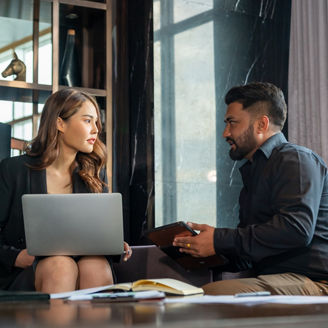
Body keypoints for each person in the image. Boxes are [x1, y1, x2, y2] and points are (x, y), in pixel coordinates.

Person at [173, 82, 328, 296]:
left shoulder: (295, 158)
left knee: (209, 295)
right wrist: (206, 250)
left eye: (232, 123)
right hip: (274, 278)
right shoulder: (254, 171)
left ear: (261, 125)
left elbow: (296, 230)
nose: (225, 133)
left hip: (316, 281)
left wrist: (220, 239)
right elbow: (250, 250)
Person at [0, 88, 132, 293]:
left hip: (82, 264)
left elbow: (93, 232)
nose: (96, 129)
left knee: (95, 266)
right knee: (60, 266)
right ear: (60, 123)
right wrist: (15, 257)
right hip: (27, 272)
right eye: (88, 120)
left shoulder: (93, 174)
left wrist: (112, 242)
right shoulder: (12, 170)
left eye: (97, 122)